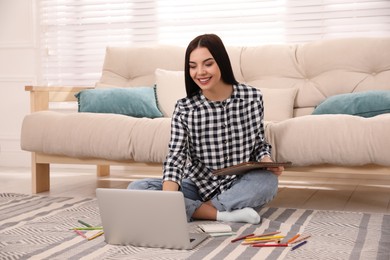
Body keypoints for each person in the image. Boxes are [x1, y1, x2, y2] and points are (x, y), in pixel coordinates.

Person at [128, 34, 283, 224]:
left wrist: (266, 160)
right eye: (192, 66)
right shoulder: (185, 108)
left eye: (207, 64)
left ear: (221, 62)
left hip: (239, 185)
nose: (199, 72)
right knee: (137, 188)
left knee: (267, 181)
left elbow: (259, 143)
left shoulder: (252, 97)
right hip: (197, 185)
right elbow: (175, 158)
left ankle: (197, 210)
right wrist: (168, 200)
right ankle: (222, 214)